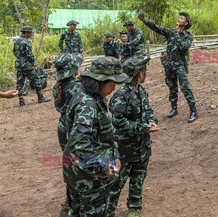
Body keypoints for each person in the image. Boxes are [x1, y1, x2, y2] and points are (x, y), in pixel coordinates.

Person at [63, 57, 127, 217]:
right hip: (88, 174)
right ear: (100, 81)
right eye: (112, 83)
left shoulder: (88, 95)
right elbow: (79, 141)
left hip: (79, 168)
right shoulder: (88, 104)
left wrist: (114, 154)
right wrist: (103, 166)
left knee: (77, 210)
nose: (114, 88)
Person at [107, 57, 159, 217]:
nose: (146, 74)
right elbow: (118, 121)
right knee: (117, 181)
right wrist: (143, 127)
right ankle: (108, 210)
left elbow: (148, 110)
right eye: (144, 71)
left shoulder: (141, 91)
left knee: (138, 176)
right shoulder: (121, 95)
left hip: (142, 146)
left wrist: (151, 120)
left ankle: (134, 207)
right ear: (139, 74)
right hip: (124, 148)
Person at [138, 12, 198, 123]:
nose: (179, 19)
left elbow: (183, 47)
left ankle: (193, 111)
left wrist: (177, 35)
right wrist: (144, 20)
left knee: (185, 87)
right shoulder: (171, 32)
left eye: (181, 18)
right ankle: (174, 108)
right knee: (172, 86)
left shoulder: (187, 36)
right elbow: (156, 28)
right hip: (169, 63)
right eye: (179, 17)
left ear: (186, 23)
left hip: (179, 64)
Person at [52, 52, 84, 217]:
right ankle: (75, 202)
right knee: (80, 165)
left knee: (69, 162)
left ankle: (69, 200)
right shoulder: (77, 86)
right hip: (75, 129)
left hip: (63, 128)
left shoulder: (56, 86)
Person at [13, 26, 51, 106]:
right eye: (30, 33)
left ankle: (21, 100)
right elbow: (29, 55)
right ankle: (40, 97)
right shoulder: (26, 42)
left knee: (20, 82)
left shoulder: (17, 41)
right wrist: (34, 64)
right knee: (36, 79)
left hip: (19, 64)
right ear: (27, 33)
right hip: (27, 65)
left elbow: (14, 52)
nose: (31, 34)